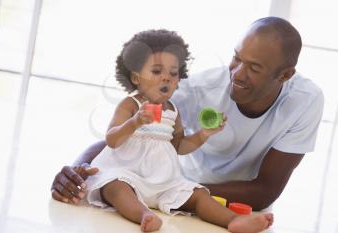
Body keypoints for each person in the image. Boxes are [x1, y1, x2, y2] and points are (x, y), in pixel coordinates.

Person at [51, 16, 324, 214]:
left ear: (286, 75)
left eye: (254, 68)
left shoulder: (305, 102)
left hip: (220, 203)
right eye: (237, 58)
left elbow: (265, 190)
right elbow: (131, 133)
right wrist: (79, 169)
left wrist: (177, 192)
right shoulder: (198, 89)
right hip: (172, 193)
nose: (237, 74)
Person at [80, 29, 273, 232]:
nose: (167, 78)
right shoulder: (131, 105)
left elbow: (179, 146)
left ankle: (233, 220)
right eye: (156, 72)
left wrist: (203, 134)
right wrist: (134, 122)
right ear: (136, 78)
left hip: (163, 181)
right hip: (128, 174)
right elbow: (112, 140)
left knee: (198, 194)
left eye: (173, 73)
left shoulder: (173, 111)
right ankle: (144, 214)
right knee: (116, 187)